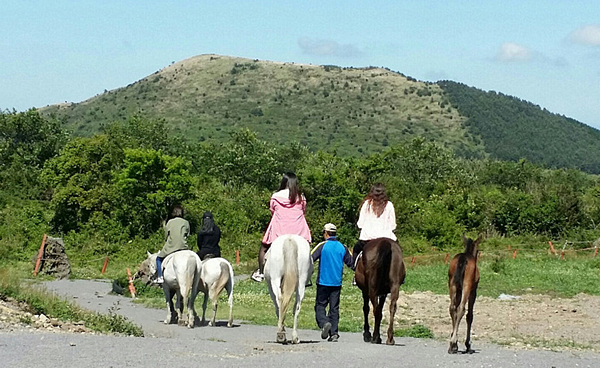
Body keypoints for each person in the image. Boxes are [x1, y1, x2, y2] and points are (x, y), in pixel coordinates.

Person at [251, 172, 311, 282]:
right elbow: (303, 210)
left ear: (283, 182)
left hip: (279, 230)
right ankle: (307, 274)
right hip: (298, 230)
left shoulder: (275, 196)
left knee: (263, 248)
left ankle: (260, 272)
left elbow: (272, 211)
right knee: (306, 248)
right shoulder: (301, 197)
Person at [311, 223, 353, 342]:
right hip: (336, 283)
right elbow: (351, 263)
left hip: (323, 281)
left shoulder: (322, 246)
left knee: (320, 306)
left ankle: (324, 323)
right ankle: (334, 333)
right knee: (334, 308)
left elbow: (310, 259)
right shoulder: (342, 247)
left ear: (326, 233)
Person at [352, 183, 397, 266]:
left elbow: (360, 224)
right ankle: (401, 278)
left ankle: (355, 274)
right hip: (386, 238)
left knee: (355, 251)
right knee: (398, 254)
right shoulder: (389, 205)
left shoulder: (366, 204)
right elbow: (393, 225)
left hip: (367, 239)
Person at [155, 204, 190, 284]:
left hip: (171, 246)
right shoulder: (186, 222)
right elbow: (187, 235)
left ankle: (160, 277)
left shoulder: (170, 222)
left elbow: (166, 236)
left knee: (158, 258)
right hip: (183, 246)